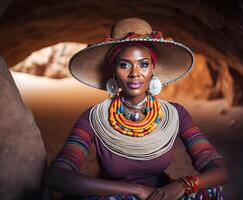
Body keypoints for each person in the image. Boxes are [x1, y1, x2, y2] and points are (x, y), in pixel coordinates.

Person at [46, 18, 229, 200]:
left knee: (212, 192)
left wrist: (183, 184)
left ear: (152, 70)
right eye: (124, 65)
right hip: (113, 196)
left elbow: (219, 170)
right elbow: (57, 176)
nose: (135, 73)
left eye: (143, 64)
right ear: (114, 72)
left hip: (160, 195)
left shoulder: (175, 114)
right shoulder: (93, 118)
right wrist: (137, 190)